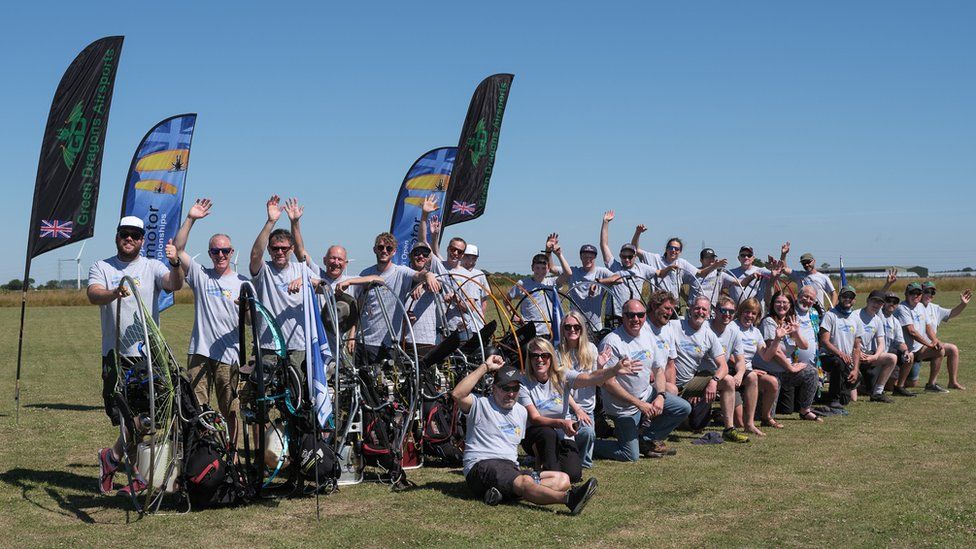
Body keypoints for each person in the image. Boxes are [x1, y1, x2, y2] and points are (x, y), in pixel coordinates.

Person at [90, 216, 184, 496]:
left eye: (135, 235)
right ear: (117, 236)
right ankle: (128, 469)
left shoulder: (152, 266)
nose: (129, 238)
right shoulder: (102, 266)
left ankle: (116, 460)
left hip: (147, 356)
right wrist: (113, 292)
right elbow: (93, 294)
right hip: (116, 355)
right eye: (124, 234)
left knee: (147, 417)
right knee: (125, 417)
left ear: (142, 240)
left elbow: (175, 284)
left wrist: (176, 263)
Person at [452, 356, 598, 515]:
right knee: (526, 481)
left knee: (562, 479)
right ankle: (569, 499)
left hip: (510, 468)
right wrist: (485, 367)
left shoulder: (521, 412)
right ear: (494, 389)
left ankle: (502, 494)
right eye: (505, 388)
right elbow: (457, 394)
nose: (510, 393)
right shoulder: (480, 405)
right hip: (482, 466)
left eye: (515, 389)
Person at [172, 198, 249, 444]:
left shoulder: (243, 283)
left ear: (232, 252)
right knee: (198, 408)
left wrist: (245, 309)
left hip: (230, 356)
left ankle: (234, 455)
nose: (220, 255)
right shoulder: (200, 275)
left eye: (225, 251)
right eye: (215, 251)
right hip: (200, 352)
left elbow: (250, 321)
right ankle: (205, 452)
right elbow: (179, 248)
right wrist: (191, 218)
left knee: (232, 409)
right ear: (209, 254)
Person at [519, 337, 640, 482]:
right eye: (534, 356)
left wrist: (614, 370)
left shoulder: (561, 375)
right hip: (537, 432)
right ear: (529, 359)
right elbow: (535, 418)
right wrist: (562, 423)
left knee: (574, 475)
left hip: (563, 432)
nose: (539, 360)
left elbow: (589, 377)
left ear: (551, 358)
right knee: (548, 435)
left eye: (544, 355)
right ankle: (541, 465)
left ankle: (544, 468)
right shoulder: (524, 384)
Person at [593, 299, 691, 461]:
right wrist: (639, 405)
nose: (636, 319)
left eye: (640, 315)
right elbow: (608, 383)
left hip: (647, 395)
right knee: (630, 455)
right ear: (622, 317)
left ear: (645, 316)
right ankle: (587, 443)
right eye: (631, 315)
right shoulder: (611, 341)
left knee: (682, 408)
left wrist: (660, 395)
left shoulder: (648, 337)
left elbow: (658, 370)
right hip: (623, 407)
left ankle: (645, 439)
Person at [667, 296, 747, 442]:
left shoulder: (709, 334)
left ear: (709, 313)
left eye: (704, 309)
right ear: (690, 309)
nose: (700, 312)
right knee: (690, 420)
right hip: (668, 382)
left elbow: (723, 366)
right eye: (697, 308)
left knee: (728, 380)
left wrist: (714, 381)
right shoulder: (673, 326)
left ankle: (729, 429)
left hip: (689, 382)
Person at [248, 196, 316, 369]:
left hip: (298, 344)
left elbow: (323, 284)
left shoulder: (301, 269)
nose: (280, 252)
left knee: (297, 392)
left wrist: (305, 280)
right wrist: (270, 221)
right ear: (269, 250)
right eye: (275, 248)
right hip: (267, 346)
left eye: (284, 248)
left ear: (291, 249)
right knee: (266, 392)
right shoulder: (264, 270)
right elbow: (256, 254)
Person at [354, 232, 441, 363]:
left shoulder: (401, 271)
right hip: (363, 341)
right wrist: (352, 335)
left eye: (388, 248)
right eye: (381, 247)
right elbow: (358, 307)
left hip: (388, 344)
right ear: (374, 250)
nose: (384, 251)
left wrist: (428, 276)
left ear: (394, 252)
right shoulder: (365, 274)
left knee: (386, 382)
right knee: (359, 381)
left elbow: (418, 275)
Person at [753, 291, 822, 423]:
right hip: (769, 372)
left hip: (784, 371)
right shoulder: (769, 322)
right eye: (778, 302)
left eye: (785, 302)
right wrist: (791, 368)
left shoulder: (791, 320)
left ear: (790, 305)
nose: (781, 305)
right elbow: (775, 352)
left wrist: (796, 332)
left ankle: (805, 410)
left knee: (811, 373)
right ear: (772, 304)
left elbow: (804, 345)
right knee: (765, 416)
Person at [705, 296, 753, 442]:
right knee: (694, 426)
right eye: (724, 310)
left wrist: (740, 373)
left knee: (737, 379)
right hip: (701, 376)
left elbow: (740, 360)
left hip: (720, 376)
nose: (727, 314)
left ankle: (732, 428)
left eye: (731, 311)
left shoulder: (734, 331)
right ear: (715, 311)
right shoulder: (705, 327)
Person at [557, 311, 600, 468]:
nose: (572, 330)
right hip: (565, 408)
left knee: (587, 440)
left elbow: (598, 380)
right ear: (562, 329)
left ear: (582, 329)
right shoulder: (557, 352)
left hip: (588, 409)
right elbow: (560, 388)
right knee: (582, 436)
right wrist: (577, 409)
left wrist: (601, 365)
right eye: (567, 327)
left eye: (576, 327)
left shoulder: (592, 349)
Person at [733, 298, 782, 435]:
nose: (749, 316)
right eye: (746, 312)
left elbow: (766, 356)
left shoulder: (756, 332)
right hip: (733, 371)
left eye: (753, 313)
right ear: (740, 312)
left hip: (748, 373)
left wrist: (777, 339)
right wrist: (745, 369)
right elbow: (727, 354)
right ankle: (745, 422)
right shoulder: (732, 327)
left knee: (772, 382)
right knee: (739, 423)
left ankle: (766, 417)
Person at [599, 211, 657, 319]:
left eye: (630, 257)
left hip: (633, 315)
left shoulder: (642, 269)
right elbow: (604, 245)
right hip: (615, 316)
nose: (627, 259)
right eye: (623, 256)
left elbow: (660, 273)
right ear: (620, 256)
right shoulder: (614, 267)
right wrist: (605, 222)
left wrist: (670, 267)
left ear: (635, 256)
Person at [631, 227, 705, 308]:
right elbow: (635, 250)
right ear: (666, 249)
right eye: (671, 247)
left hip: (674, 307)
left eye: (677, 249)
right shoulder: (655, 259)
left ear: (680, 251)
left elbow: (700, 273)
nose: (673, 250)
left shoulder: (682, 263)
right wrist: (638, 233)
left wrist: (716, 265)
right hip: (657, 305)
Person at [552, 240, 615, 333]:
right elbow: (552, 268)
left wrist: (598, 282)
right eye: (585, 257)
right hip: (575, 326)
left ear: (595, 257)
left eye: (591, 257)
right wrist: (555, 253)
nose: (588, 259)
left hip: (595, 327)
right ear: (580, 257)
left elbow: (619, 279)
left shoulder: (601, 272)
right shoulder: (573, 272)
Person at [893, 282, 946, 394]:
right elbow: (912, 331)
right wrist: (928, 344)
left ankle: (931, 384)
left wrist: (935, 340)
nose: (916, 296)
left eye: (918, 293)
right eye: (912, 293)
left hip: (918, 349)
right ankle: (899, 387)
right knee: (889, 385)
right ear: (906, 294)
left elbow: (928, 326)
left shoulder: (921, 306)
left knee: (940, 351)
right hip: (901, 350)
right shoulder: (902, 308)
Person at [918, 282, 971, 390]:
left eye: (933, 292)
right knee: (910, 383)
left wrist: (963, 304)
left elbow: (951, 313)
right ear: (920, 292)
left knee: (952, 349)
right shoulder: (913, 306)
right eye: (927, 291)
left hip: (930, 347)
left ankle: (952, 382)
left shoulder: (935, 308)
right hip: (916, 348)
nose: (930, 295)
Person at [818, 286, 864, 406]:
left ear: (854, 300)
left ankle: (822, 397)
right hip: (827, 357)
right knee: (838, 362)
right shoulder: (830, 315)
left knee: (847, 400)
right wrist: (840, 353)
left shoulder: (856, 318)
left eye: (851, 297)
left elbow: (857, 347)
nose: (847, 299)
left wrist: (855, 369)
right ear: (839, 298)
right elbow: (824, 341)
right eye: (845, 296)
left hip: (846, 360)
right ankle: (833, 400)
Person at [852, 290, 898, 402]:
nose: (876, 305)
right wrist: (858, 353)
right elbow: (849, 338)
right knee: (853, 399)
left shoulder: (877, 320)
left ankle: (877, 393)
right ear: (867, 301)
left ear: (882, 305)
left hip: (868, 355)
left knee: (892, 358)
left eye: (879, 303)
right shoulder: (855, 315)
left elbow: (881, 342)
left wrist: (876, 356)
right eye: (874, 301)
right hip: (853, 354)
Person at [508, 252, 559, 338]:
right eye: (537, 268)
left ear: (548, 269)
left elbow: (567, 274)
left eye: (543, 268)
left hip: (548, 331)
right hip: (529, 332)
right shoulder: (522, 284)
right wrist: (514, 316)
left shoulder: (551, 283)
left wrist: (558, 253)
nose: (540, 271)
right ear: (532, 268)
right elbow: (506, 300)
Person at [880, 291, 914, 394]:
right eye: (889, 301)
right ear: (883, 303)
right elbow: (877, 296)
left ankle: (900, 387)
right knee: (889, 387)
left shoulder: (895, 321)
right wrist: (887, 284)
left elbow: (900, 342)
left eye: (895, 302)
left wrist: (905, 351)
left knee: (911, 355)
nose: (892, 303)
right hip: (877, 353)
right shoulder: (878, 314)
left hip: (890, 353)